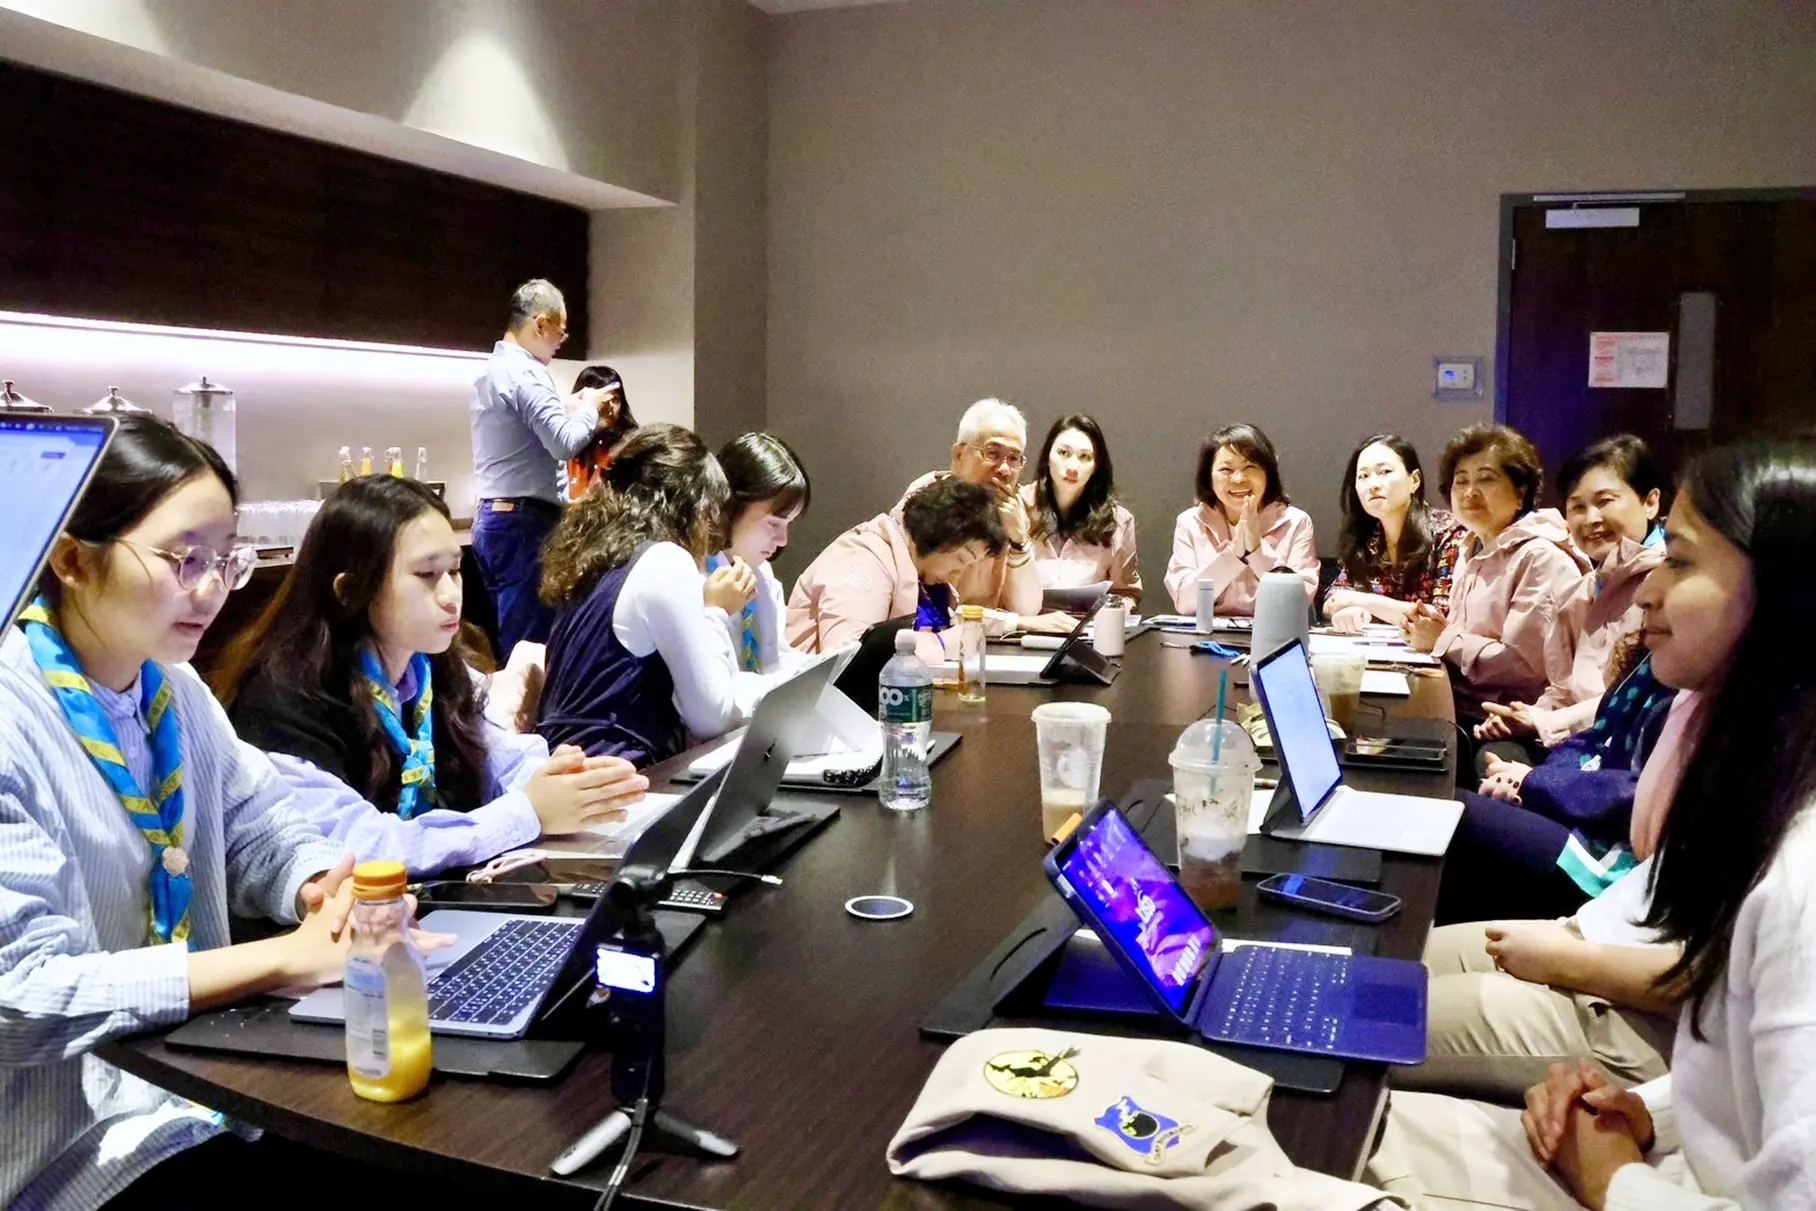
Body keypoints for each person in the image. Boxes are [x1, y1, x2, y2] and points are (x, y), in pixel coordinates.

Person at [0, 414, 452, 1206]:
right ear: (72, 558)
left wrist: (319, 886)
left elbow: (263, 826)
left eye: (224, 560)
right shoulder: (14, 716)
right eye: (184, 559)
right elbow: (22, 995)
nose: (210, 589)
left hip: (198, 1091)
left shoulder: (175, 689)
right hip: (70, 1149)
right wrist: (281, 959)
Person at [1369, 442, 1816, 1211]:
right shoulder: (1747, 750)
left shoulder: (1801, 876)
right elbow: (1731, 1065)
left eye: (1679, 561)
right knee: (1362, 974)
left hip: (1636, 1090)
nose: (1651, 592)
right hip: (1651, 1089)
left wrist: (1610, 1175)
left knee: (1344, 1062)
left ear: (1782, 593)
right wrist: (1646, 1113)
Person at [215, 476, 648, 878]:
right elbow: (357, 847)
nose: (450, 595)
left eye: (455, 570)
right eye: (426, 575)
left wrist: (565, 781)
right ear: (349, 590)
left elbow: (507, 758)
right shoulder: (286, 701)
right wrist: (528, 811)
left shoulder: (435, 666)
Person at [534, 424, 767, 767]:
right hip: (617, 774)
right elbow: (710, 716)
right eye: (709, 514)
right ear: (693, 506)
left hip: (568, 768)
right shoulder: (665, 560)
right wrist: (715, 611)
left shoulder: (594, 561)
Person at [1433, 647, 1678, 925]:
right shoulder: (1651, 659)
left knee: (1450, 814)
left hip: (1620, 860)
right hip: (1588, 811)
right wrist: (1535, 782)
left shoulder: (1705, 695)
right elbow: (1594, 739)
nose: (1645, 615)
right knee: (1464, 798)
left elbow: (1646, 797)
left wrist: (1535, 782)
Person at [1477, 435, 1667, 750]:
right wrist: (1530, 715)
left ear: (1650, 502)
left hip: (1626, 748)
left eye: (1605, 501)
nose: (1591, 519)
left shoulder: (1667, 586)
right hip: (1572, 739)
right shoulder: (1581, 592)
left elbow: (1639, 697)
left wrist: (1546, 722)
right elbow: (1562, 689)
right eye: (1577, 507)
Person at [1400, 424, 1588, 727]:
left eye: (1486, 479)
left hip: (1510, 723)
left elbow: (1526, 668)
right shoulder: (1472, 547)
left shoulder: (1540, 557)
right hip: (1458, 705)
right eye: (1461, 481)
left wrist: (1443, 639)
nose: (1470, 492)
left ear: (1520, 493)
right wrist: (1438, 629)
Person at [468, 279, 604, 661]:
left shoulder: (493, 370)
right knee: (530, 649)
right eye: (560, 331)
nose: (562, 341)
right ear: (540, 324)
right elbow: (564, 443)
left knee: (508, 642)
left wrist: (567, 407)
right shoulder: (527, 372)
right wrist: (591, 408)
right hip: (526, 525)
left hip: (492, 520)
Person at [787, 477, 1008, 655]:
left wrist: (1014, 624)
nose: (959, 572)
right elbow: (849, 656)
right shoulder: (864, 560)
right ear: (939, 534)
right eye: (961, 559)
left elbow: (956, 623)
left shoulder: (923, 575)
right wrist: (943, 644)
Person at [894, 399, 1061, 633]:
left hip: (984, 643)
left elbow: (1026, 608)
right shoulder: (928, 501)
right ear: (959, 455)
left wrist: (1019, 541)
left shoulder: (1012, 509)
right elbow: (923, 609)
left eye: (1014, 458)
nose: (1004, 469)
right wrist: (1014, 623)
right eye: (992, 453)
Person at [1163, 423, 1318, 615]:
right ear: (1208, 476)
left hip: (1274, 629)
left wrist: (1257, 550)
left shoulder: (1296, 522)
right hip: (1208, 631)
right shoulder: (1190, 523)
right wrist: (1232, 556)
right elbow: (1185, 603)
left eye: (1250, 467)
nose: (1238, 479)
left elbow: (1298, 602)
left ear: (1268, 473)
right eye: (1226, 470)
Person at [1324, 433, 1469, 633]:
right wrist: (1347, 611)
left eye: (1385, 472)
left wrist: (1362, 601)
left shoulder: (1448, 532)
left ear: (1414, 480)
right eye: (1363, 476)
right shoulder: (1369, 536)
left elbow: (1439, 617)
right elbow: (1334, 596)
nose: (1373, 485)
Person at [713, 433, 813, 674]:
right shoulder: (692, 577)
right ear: (729, 505)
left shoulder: (761, 573)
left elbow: (775, 659)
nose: (782, 540)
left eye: (788, 524)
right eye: (773, 523)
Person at [1021, 413, 1142, 605]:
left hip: (1087, 623)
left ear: (1096, 466)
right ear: (1047, 457)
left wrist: (1109, 612)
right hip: (1026, 622)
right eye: (1063, 453)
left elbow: (1126, 593)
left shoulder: (1118, 521)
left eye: (1085, 457)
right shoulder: (1018, 507)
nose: (1072, 467)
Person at [565, 364, 639, 499]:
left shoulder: (632, 445)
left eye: (615, 399)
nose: (608, 407)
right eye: (600, 399)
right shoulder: (565, 438)